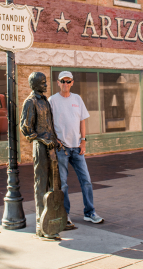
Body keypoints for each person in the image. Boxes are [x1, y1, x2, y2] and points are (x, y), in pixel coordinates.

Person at [49, 71, 103, 230]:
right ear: (58, 82)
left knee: (86, 181)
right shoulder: (52, 100)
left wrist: (84, 141)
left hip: (77, 148)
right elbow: (48, 123)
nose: (65, 84)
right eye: (62, 81)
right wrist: (55, 140)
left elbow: (82, 121)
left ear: (72, 82)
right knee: (63, 184)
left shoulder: (77, 99)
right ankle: (65, 215)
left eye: (68, 81)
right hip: (62, 149)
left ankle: (89, 212)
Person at [20, 72, 64, 239]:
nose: (46, 85)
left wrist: (55, 140)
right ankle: (41, 225)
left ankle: (53, 221)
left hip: (52, 148)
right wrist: (43, 140)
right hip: (40, 148)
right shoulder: (30, 102)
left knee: (54, 184)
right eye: (43, 83)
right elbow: (26, 129)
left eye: (46, 82)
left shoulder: (45, 101)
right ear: (35, 84)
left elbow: (49, 125)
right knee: (41, 185)